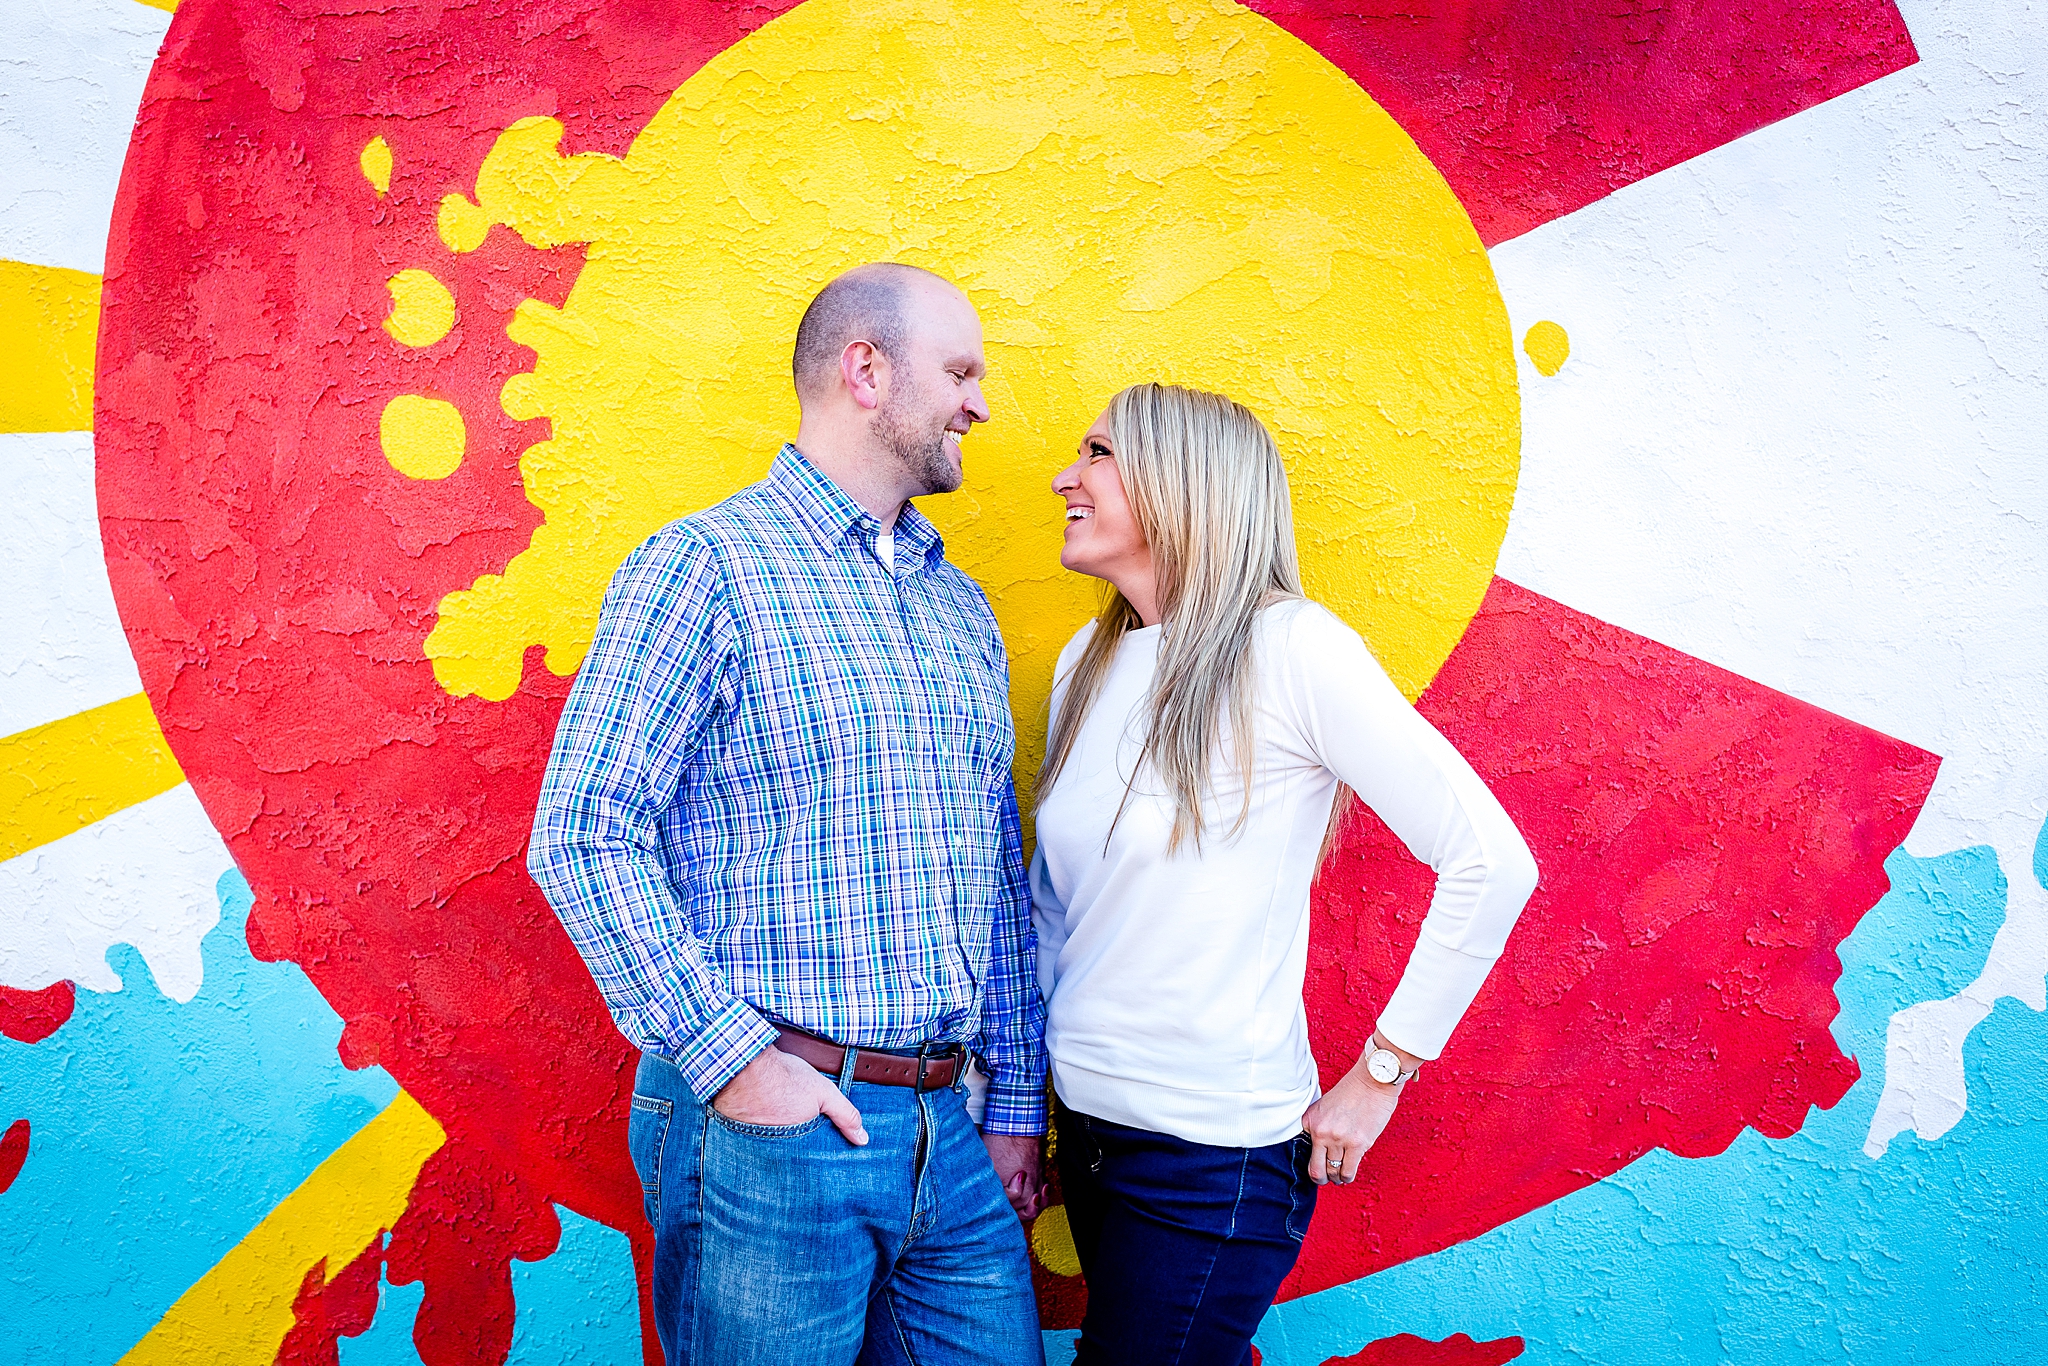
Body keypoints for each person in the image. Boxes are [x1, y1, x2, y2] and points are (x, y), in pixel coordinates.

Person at [528, 262, 1049, 1366]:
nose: (980, 404)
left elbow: (994, 869)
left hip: (946, 1132)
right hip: (768, 1131)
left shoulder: (958, 608)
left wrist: (1010, 1098)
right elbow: (583, 829)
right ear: (865, 369)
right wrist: (737, 1064)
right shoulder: (702, 567)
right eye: (959, 371)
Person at [1032, 383, 1539, 1365]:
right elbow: (1054, 911)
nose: (1066, 476)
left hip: (1208, 1163)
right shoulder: (1083, 665)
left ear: (1182, 485)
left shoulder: (1292, 648)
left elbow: (1489, 858)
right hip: (1084, 1135)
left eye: (1096, 452)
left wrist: (1380, 1073)